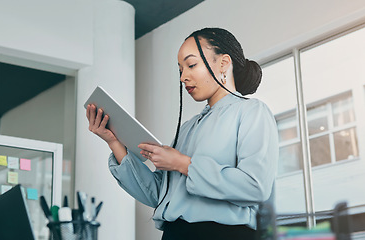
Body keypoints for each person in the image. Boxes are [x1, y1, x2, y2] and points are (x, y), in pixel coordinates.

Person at [86, 27, 278, 240]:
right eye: (180, 69)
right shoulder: (187, 127)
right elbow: (159, 195)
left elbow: (255, 186)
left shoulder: (252, 111)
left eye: (191, 65)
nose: (183, 77)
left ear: (223, 63)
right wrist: (114, 143)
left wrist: (182, 164)